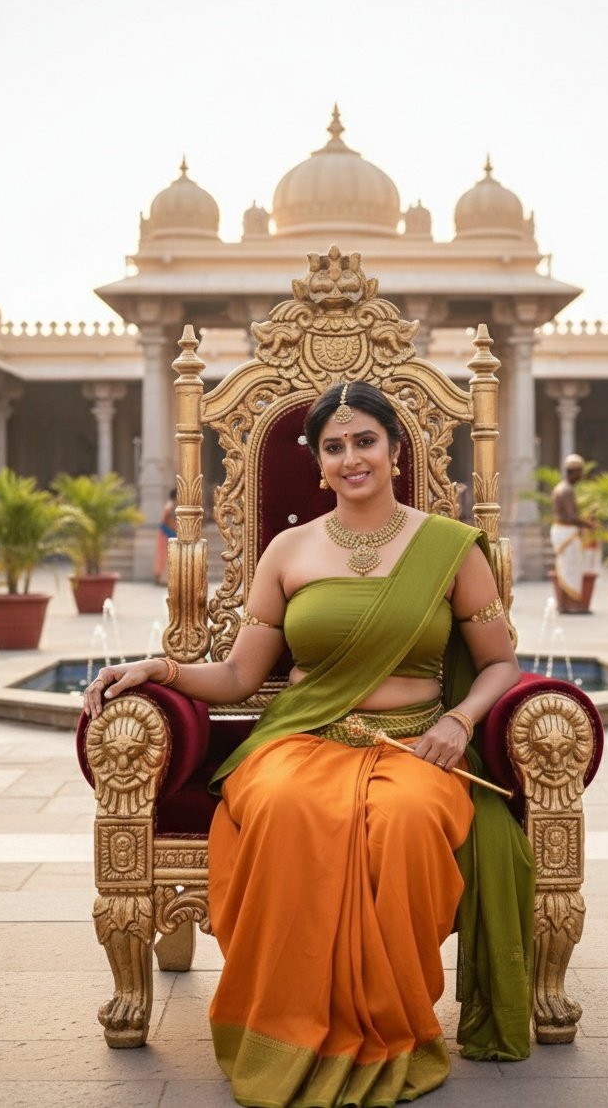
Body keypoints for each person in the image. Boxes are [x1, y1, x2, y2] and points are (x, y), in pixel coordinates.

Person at [83, 381, 535, 1107]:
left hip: (416, 747)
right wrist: (158, 667)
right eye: (334, 446)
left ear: (395, 450)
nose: (351, 457)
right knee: (285, 806)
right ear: (318, 463)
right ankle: (290, 1029)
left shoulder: (450, 548)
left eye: (365, 441)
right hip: (303, 738)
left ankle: (388, 1025)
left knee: (409, 821)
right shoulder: (288, 550)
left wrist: (459, 721)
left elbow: (501, 663)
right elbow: (238, 674)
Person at [550, 453, 596, 613]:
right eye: (580, 473)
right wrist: (588, 524)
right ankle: (567, 605)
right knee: (568, 568)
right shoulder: (566, 490)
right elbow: (571, 517)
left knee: (566, 568)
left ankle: (565, 605)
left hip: (564, 531)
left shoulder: (561, 488)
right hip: (566, 531)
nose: (581, 476)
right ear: (573, 472)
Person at [153, 489, 177, 584]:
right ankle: (160, 578)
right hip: (165, 533)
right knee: (163, 556)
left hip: (170, 533)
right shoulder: (169, 505)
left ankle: (166, 579)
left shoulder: (173, 505)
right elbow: (165, 520)